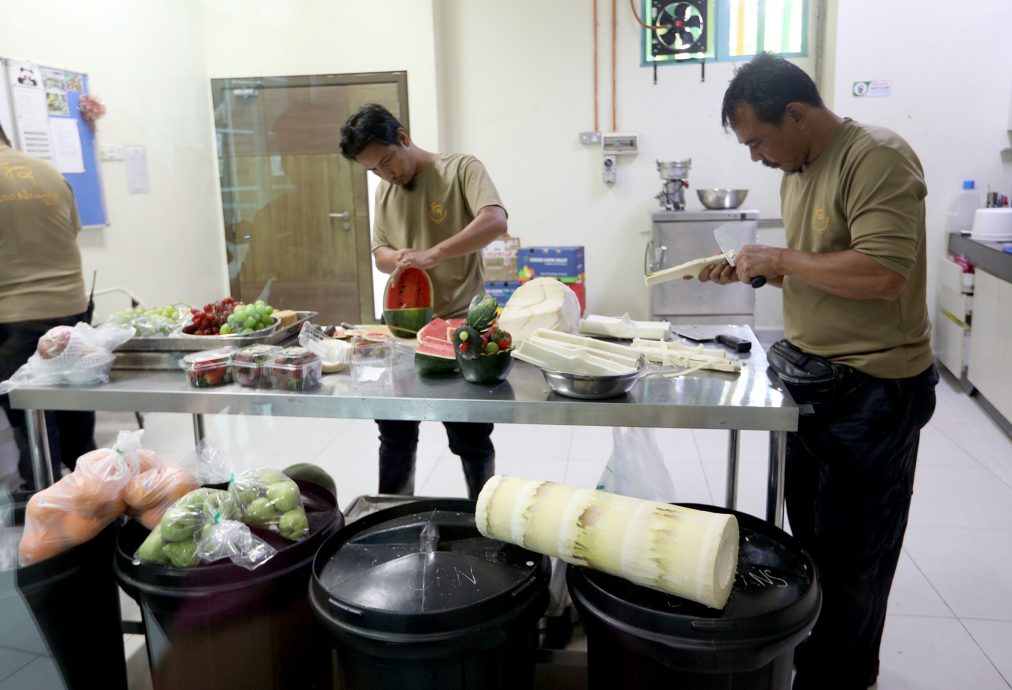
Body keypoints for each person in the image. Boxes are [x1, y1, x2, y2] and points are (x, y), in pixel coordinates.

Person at [703, 53, 938, 690]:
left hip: (873, 392)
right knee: (810, 536)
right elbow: (819, 263)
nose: (755, 156)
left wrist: (779, 254)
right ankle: (816, 660)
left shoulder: (876, 157)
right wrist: (757, 268)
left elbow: (883, 273)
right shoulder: (796, 166)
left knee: (856, 556)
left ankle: (844, 676)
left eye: (758, 140)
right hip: (812, 377)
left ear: (798, 114)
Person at [339, 104, 508, 500]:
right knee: (395, 434)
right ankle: (391, 514)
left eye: (385, 161)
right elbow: (380, 250)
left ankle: (483, 516)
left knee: (471, 436)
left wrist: (437, 253)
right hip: (401, 331)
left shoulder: (461, 169)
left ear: (402, 137)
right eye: (373, 170)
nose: (385, 175)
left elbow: (496, 221)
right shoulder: (384, 190)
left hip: (459, 324)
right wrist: (395, 259)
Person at [0, 123, 96, 490]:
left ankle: (44, 499)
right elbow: (70, 231)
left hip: (14, 317)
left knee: (30, 416)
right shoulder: (50, 173)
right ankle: (94, 488)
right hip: (72, 309)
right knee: (74, 404)